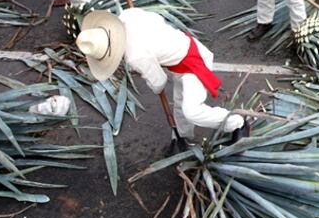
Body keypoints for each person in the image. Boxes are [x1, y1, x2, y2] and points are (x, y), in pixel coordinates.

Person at [78, 8, 247, 141]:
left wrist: (154, 86)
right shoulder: (128, 15)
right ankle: (183, 135)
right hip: (180, 52)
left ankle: (237, 123)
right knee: (180, 104)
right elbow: (157, 19)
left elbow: (159, 81)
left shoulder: (135, 55)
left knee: (191, 111)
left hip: (192, 62)